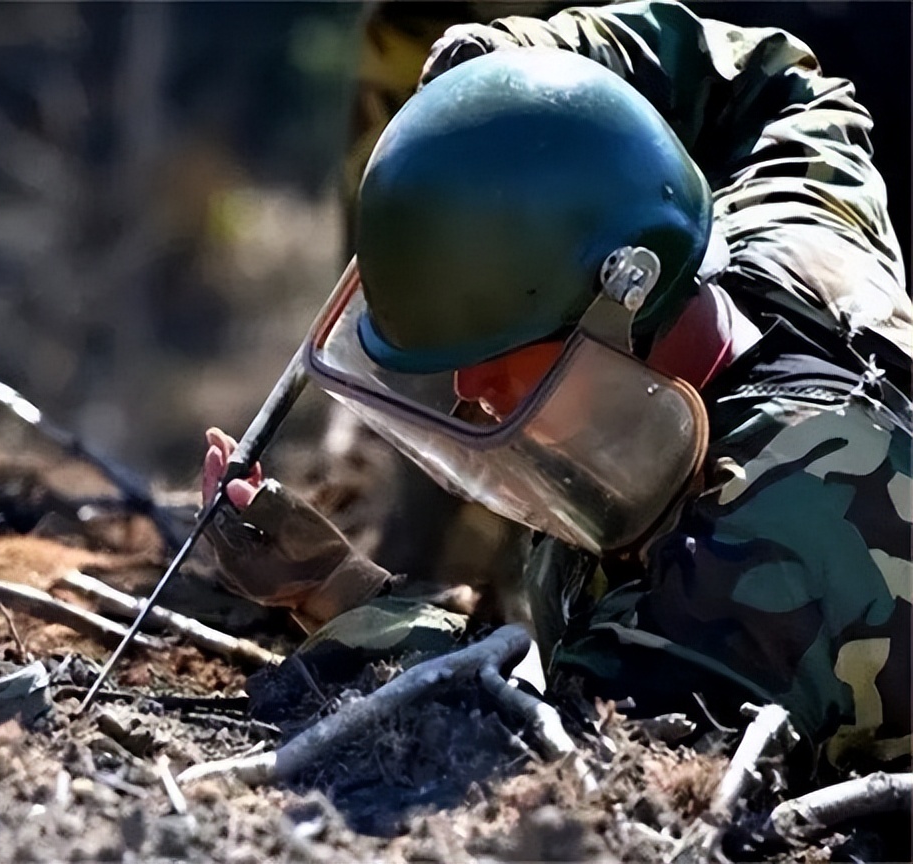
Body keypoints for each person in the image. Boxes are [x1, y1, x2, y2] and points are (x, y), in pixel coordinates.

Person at [202, 0, 911, 777]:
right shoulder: (798, 240)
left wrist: (346, 595)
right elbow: (775, 84)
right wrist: (513, 55)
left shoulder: (761, 551)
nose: (470, 390)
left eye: (503, 351)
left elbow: (562, 764)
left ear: (626, 293)